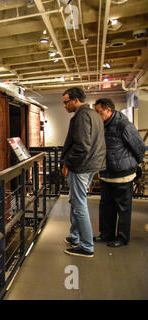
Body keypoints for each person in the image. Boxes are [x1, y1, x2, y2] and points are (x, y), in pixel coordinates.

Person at [94, 98, 146, 247]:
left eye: (99, 112)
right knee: (106, 207)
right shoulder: (103, 125)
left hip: (123, 175)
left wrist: (133, 165)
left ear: (109, 109)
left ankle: (122, 238)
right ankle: (106, 235)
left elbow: (140, 147)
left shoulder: (124, 124)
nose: (97, 116)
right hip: (106, 174)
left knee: (123, 208)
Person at [61, 87, 106, 258]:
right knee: (76, 201)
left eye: (66, 102)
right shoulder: (94, 114)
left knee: (79, 205)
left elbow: (81, 146)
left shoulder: (81, 116)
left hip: (81, 166)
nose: (64, 106)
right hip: (91, 165)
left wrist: (68, 163)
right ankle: (75, 237)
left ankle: (87, 246)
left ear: (76, 100)